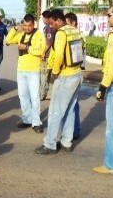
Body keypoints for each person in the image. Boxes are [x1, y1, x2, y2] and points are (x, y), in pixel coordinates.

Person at [35, 9, 83, 154]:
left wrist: (55, 72)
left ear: (58, 20)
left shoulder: (62, 33)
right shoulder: (75, 31)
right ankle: (67, 143)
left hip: (65, 75)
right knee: (69, 111)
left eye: (52, 23)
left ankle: (50, 144)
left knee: (55, 111)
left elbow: (60, 54)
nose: (51, 26)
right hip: (77, 74)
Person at [6, 14, 46, 133]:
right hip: (21, 70)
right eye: (25, 25)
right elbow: (8, 40)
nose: (27, 28)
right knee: (23, 96)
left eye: (29, 26)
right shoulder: (21, 34)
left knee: (34, 97)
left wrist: (26, 48)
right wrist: (15, 28)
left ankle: (36, 122)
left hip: (33, 70)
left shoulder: (39, 35)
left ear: (33, 24)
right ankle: (27, 119)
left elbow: (40, 50)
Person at [93, 4, 113, 174]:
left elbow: (112, 63)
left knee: (112, 128)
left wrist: (103, 86)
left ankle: (111, 165)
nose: (107, 18)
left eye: (109, 15)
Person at [64, 12, 83, 140]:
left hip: (72, 73)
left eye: (67, 23)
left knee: (71, 104)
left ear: (73, 23)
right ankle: (73, 131)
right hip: (74, 73)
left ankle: (73, 131)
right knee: (72, 104)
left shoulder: (77, 37)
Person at [40, 10, 55, 101]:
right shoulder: (51, 27)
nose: (42, 20)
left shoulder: (49, 28)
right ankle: (50, 94)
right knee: (51, 76)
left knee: (44, 75)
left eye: (42, 18)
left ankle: (41, 94)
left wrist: (43, 52)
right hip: (53, 55)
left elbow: (49, 42)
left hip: (47, 55)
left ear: (46, 18)